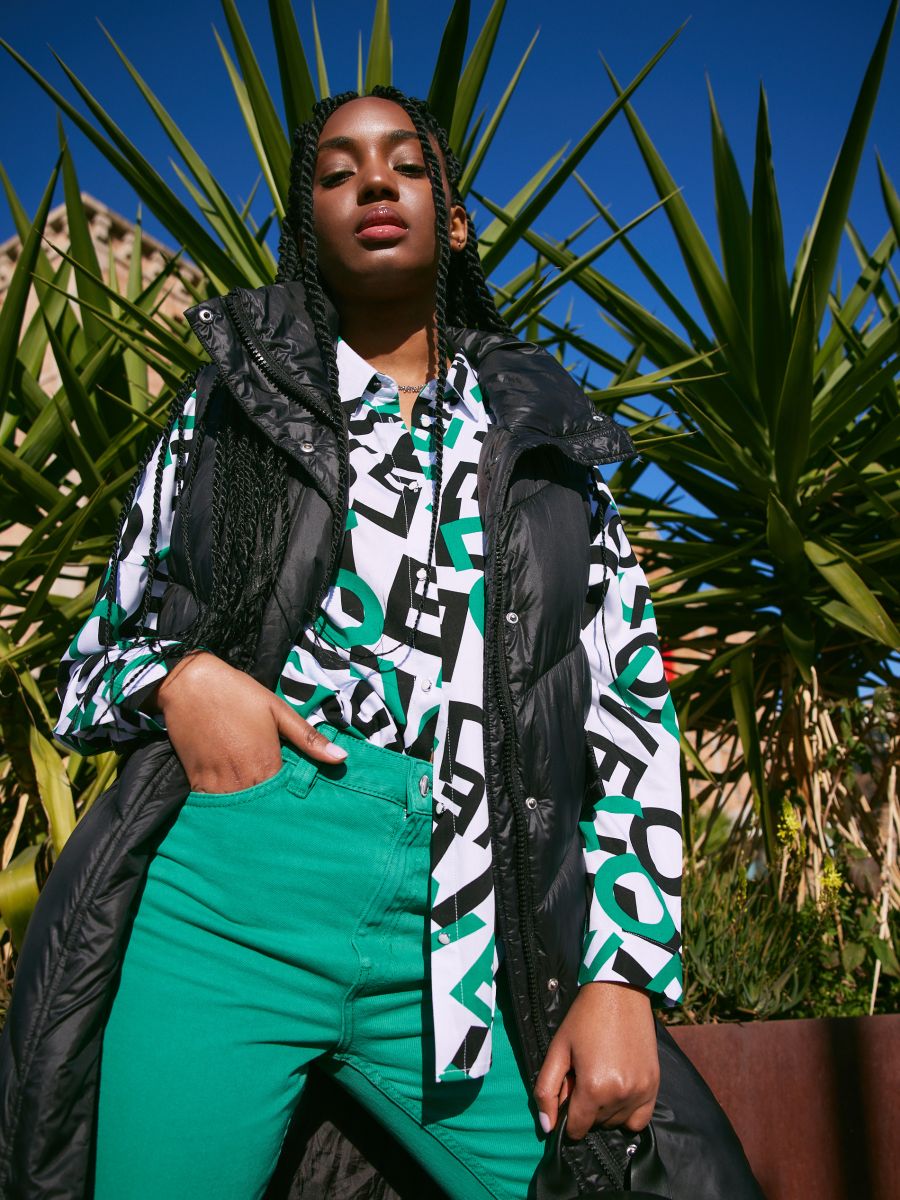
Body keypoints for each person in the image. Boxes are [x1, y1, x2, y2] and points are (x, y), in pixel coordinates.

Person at [0, 87, 762, 1199]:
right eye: (337, 170)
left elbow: (628, 705)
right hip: (233, 890)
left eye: (406, 164)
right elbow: (90, 662)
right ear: (308, 224)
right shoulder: (226, 410)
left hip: (471, 922)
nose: (372, 182)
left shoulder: (547, 449)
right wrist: (183, 680)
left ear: (455, 222)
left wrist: (625, 974)